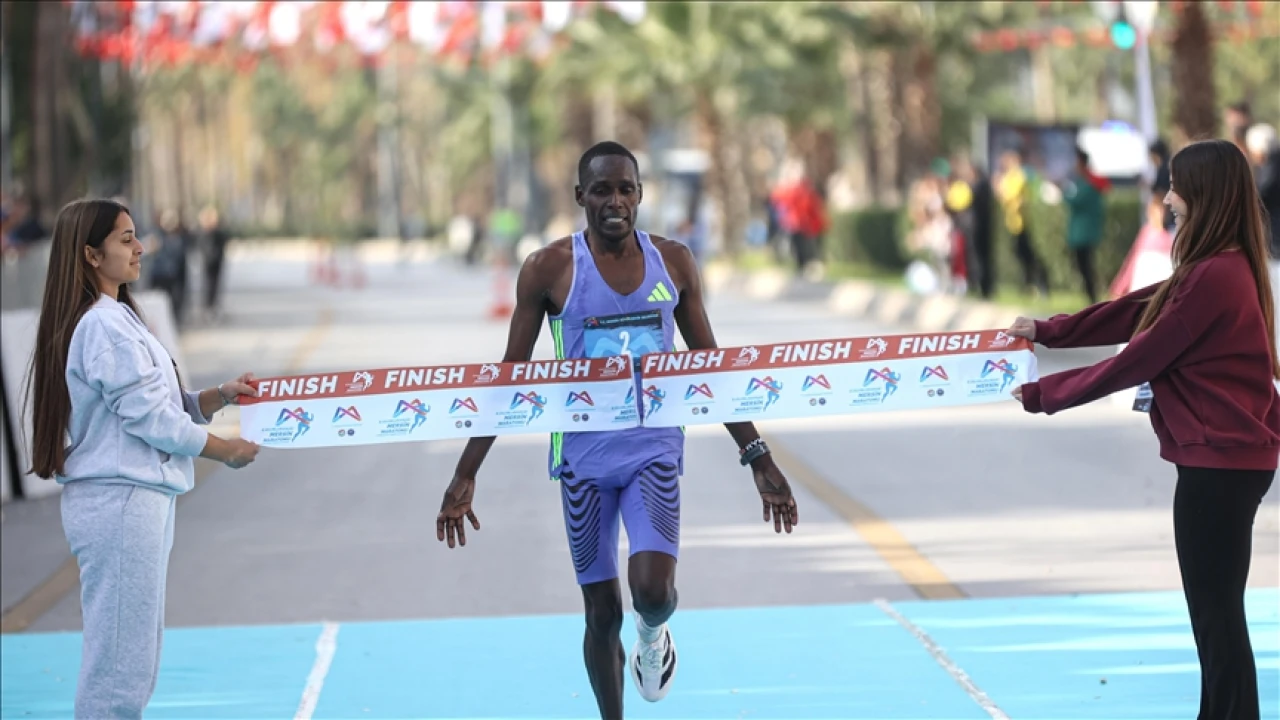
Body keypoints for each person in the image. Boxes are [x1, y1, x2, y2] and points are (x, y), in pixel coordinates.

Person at [435, 141, 800, 718]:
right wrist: (465, 473)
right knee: (601, 615)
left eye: (626, 189)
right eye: (601, 190)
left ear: (639, 195)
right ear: (580, 197)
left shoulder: (674, 263)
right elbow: (511, 376)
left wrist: (758, 456)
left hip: (652, 451)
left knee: (652, 594)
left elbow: (710, 365)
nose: (614, 201)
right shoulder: (549, 269)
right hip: (582, 460)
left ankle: (654, 638)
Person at [1006, 139, 1279, 720]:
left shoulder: (1215, 275)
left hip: (1219, 466)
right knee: (1216, 612)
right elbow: (1137, 310)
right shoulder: (1220, 267)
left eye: (1176, 184)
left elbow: (1139, 356)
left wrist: (1044, 393)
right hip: (1228, 462)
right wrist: (1047, 331)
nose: (1168, 195)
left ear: (1202, 194)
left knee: (1216, 615)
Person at [24, 198, 262, 719]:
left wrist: (219, 395)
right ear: (90, 255)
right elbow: (151, 420)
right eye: (126, 238)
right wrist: (224, 451)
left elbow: (164, 405)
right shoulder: (102, 326)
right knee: (119, 667)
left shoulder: (119, 318)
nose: (140, 247)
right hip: (120, 503)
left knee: (134, 658)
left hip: (137, 500)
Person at [1060, 147, 1110, 304]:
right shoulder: (1083, 182)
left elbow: (1075, 200)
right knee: (1084, 266)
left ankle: (1093, 297)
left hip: (1084, 233)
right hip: (1081, 232)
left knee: (1086, 266)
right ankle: (1091, 296)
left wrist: (1063, 192)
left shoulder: (1089, 184)